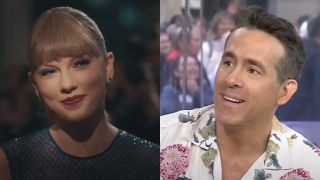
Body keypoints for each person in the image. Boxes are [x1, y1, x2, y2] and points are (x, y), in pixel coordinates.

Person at [160, 6, 320, 180]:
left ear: (285, 92)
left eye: (252, 70)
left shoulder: (309, 167)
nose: (231, 79)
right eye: (228, 62)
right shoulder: (163, 137)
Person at [0, 7, 159, 180]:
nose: (67, 84)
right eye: (49, 72)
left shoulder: (155, 163)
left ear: (108, 67)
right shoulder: (11, 162)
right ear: (35, 84)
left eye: (80, 63)